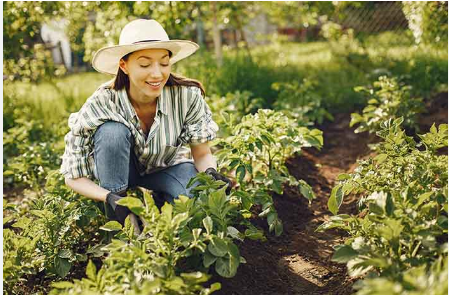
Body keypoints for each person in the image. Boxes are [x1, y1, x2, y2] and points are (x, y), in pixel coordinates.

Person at [61, 19, 232, 225]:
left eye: (164, 62)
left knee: (194, 203)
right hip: (119, 175)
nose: (157, 73)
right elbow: (73, 176)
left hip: (167, 167)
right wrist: (109, 197)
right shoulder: (103, 102)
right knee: (111, 132)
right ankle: (123, 220)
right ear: (124, 66)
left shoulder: (186, 97)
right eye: (144, 64)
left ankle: (161, 203)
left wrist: (211, 173)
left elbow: (202, 154)